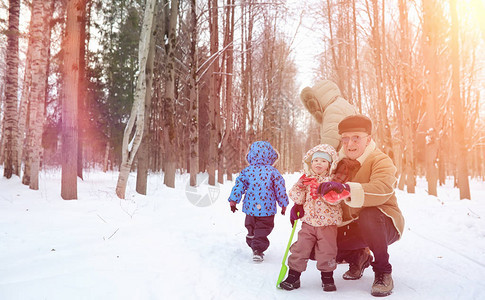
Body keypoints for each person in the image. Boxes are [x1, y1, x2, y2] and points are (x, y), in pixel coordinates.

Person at [316, 114, 405, 297]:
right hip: (350, 226)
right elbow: (319, 184)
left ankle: (383, 271)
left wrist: (345, 189)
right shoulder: (336, 164)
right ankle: (358, 256)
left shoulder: (380, 160)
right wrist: (302, 204)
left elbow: (382, 189)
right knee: (314, 246)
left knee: (369, 216)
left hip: (383, 223)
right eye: (345, 138)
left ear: (368, 139)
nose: (350, 144)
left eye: (356, 137)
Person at [279, 144, 344, 292]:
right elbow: (297, 198)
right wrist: (300, 186)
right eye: (316, 161)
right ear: (310, 163)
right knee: (300, 248)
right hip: (308, 223)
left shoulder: (333, 181)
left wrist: (324, 190)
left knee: (327, 251)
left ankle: (327, 278)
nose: (318, 164)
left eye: (323, 161)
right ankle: (293, 276)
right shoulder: (306, 179)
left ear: (330, 165)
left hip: (327, 224)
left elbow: (337, 199)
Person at [228, 141, 289, 262]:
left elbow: (239, 186)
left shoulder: (247, 171)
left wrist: (234, 200)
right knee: (264, 227)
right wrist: (283, 204)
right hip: (267, 209)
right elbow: (280, 188)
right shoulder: (273, 172)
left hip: (250, 207)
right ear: (271, 156)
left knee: (251, 225)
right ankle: (258, 249)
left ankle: (252, 236)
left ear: (251, 155)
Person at [300, 80, 357, 150]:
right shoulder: (344, 104)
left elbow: (329, 144)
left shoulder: (332, 110)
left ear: (317, 101)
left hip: (347, 156)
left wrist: (317, 158)